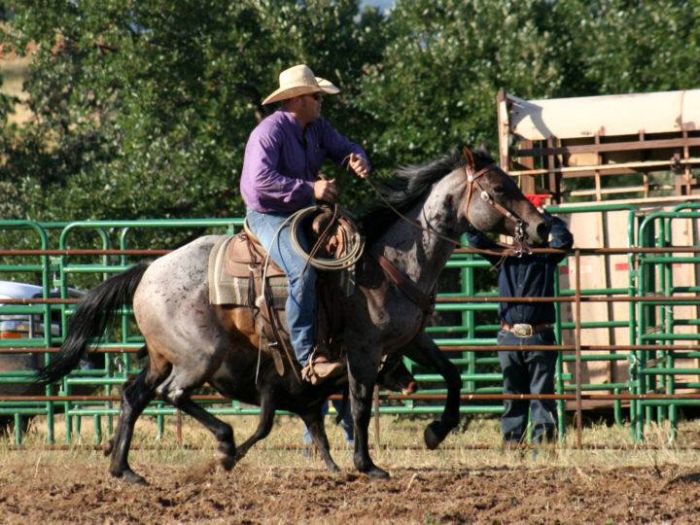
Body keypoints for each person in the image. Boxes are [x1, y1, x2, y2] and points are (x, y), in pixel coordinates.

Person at [240, 64, 370, 383]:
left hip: (305, 212)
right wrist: (311, 189)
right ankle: (307, 356)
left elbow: (345, 146)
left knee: (358, 250)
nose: (320, 101)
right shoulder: (268, 132)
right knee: (302, 269)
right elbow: (257, 183)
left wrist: (356, 157)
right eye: (316, 96)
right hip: (269, 215)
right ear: (298, 99)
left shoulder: (316, 128)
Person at [466, 195, 573, 446]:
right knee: (513, 393)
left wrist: (544, 217)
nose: (524, 235)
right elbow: (473, 238)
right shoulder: (505, 256)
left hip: (535, 334)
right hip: (513, 334)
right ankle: (513, 443)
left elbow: (564, 239)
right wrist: (489, 214)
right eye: (520, 229)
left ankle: (543, 443)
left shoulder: (546, 256)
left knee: (541, 393)